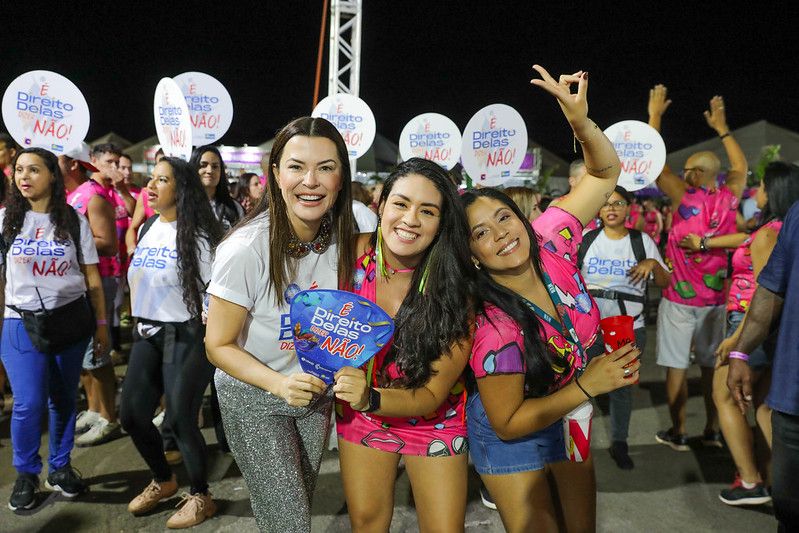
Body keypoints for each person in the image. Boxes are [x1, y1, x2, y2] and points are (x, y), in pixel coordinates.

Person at [460, 65, 638, 533]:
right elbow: (508, 422)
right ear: (472, 256)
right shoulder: (492, 325)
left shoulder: (550, 239)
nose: (501, 234)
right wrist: (589, 384)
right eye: (482, 232)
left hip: (574, 413)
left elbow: (605, 172)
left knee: (580, 528)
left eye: (504, 217)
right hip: (513, 432)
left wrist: (579, 121)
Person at [205, 117, 356, 532]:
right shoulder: (245, 248)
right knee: (289, 523)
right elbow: (217, 346)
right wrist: (276, 384)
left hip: (314, 395)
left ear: (342, 177)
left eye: (326, 167)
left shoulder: (345, 239)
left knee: (292, 514)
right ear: (275, 173)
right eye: (296, 166)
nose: (311, 180)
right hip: (254, 395)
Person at [333, 158, 475, 532]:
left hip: (434, 418)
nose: (410, 219)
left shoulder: (456, 286)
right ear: (381, 205)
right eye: (401, 203)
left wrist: (370, 397)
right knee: (367, 523)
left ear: (441, 222)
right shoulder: (349, 254)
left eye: (427, 211)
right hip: (362, 413)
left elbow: (431, 393)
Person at [683, 162, 799, 506]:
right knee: (763, 407)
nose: (756, 192)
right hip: (768, 331)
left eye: (761, 185)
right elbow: (741, 238)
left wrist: (737, 342)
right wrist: (707, 242)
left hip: (749, 327)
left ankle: (750, 481)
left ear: (773, 190)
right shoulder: (777, 227)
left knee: (725, 397)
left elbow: (765, 293)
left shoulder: (768, 234)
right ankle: (776, 476)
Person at [119, 156, 224, 528]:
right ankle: (163, 480)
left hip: (189, 335)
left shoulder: (200, 237)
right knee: (131, 415)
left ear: (181, 190)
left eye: (160, 180)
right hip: (148, 335)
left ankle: (201, 495)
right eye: (151, 178)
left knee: (180, 417)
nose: (150, 185)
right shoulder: (148, 226)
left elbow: (215, 292)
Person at [2, 147, 108, 511]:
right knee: (28, 403)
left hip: (70, 320)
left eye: (33, 169)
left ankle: (60, 467)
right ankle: (26, 473)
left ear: (52, 175)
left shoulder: (73, 219)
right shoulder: (5, 220)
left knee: (63, 399)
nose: (24, 176)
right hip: (19, 322)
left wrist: (103, 325)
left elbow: (92, 275)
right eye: (19, 170)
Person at [648, 84, 747, 451]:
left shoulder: (682, 194)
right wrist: (722, 128)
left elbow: (655, 164)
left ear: (693, 173)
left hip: (678, 299)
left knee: (676, 366)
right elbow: (739, 166)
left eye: (687, 169)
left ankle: (678, 432)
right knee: (709, 368)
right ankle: (712, 427)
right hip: (715, 300)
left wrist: (655, 116)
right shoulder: (730, 194)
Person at [579, 186, 671, 469]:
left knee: (621, 387)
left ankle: (619, 441)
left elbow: (666, 282)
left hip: (629, 327)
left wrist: (653, 263)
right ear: (598, 209)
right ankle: (575, 445)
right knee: (581, 385)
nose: (611, 208)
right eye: (606, 203)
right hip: (590, 326)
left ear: (629, 208)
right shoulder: (587, 239)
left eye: (618, 203)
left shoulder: (641, 241)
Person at [727, 194, 799, 531]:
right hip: (793, 396)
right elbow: (771, 290)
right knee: (789, 506)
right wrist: (741, 352)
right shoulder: (798, 214)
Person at [59, 143, 122, 447]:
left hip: (100, 281)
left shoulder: (92, 195)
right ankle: (95, 408)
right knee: (84, 354)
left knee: (98, 351)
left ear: (72, 164)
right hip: (78, 284)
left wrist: (65, 241)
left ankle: (109, 417)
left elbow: (108, 243)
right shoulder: (71, 196)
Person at [189, 145, 244, 232]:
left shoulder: (234, 208)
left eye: (215, 166)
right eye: (203, 165)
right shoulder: (181, 205)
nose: (210, 170)